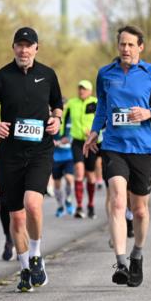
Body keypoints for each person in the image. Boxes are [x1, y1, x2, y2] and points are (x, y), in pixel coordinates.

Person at [84, 25, 151, 288]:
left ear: (141, 47)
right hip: (114, 146)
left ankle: (137, 254)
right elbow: (103, 106)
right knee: (117, 202)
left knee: (139, 209)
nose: (125, 49)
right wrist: (95, 132)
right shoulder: (105, 73)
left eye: (130, 45)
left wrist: (150, 113)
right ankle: (121, 262)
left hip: (143, 148)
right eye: (122, 44)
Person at [0, 27, 63, 292]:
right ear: (13, 47)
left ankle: (36, 256)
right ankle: (25, 268)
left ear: (37, 48)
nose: (24, 50)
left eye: (29, 46)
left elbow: (58, 104)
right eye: (19, 45)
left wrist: (57, 119)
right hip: (10, 155)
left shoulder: (47, 75)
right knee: (16, 218)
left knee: (33, 204)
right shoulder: (2, 77)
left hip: (40, 150)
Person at [62, 80, 99, 218]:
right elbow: (64, 119)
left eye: (84, 89)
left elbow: (103, 120)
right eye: (79, 88)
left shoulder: (95, 102)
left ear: (90, 91)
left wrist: (96, 132)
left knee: (90, 174)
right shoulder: (72, 103)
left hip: (92, 143)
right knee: (78, 171)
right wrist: (61, 135)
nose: (81, 91)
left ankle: (90, 204)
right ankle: (79, 206)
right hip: (77, 141)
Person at [51, 128, 76, 218]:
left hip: (68, 156)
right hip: (55, 158)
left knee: (69, 179)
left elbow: (72, 136)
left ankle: (68, 200)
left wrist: (63, 141)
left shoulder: (69, 118)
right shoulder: (51, 120)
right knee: (57, 184)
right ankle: (60, 206)